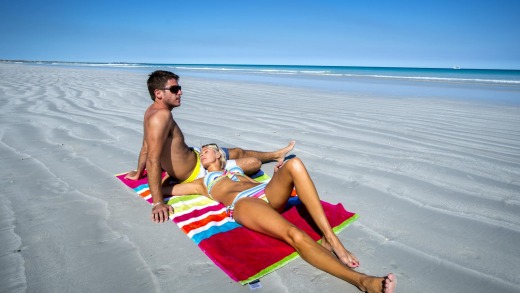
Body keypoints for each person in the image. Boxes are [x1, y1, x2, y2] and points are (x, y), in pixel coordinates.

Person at [163, 144, 396, 293]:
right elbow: (166, 191)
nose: (202, 153)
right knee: (294, 234)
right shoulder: (202, 182)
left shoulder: (235, 169)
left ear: (218, 154)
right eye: (201, 152)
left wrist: (276, 175)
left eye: (207, 149)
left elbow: (251, 158)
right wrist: (159, 193)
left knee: (293, 163)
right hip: (244, 204)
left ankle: (331, 240)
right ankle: (363, 282)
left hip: (264, 192)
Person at [125, 70, 295, 223]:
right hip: (199, 171)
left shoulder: (151, 111)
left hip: (198, 156)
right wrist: (158, 202)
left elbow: (146, 145)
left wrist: (139, 172)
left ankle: (275, 155)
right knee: (253, 163)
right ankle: (274, 156)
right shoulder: (161, 116)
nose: (181, 92)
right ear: (158, 93)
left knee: (237, 151)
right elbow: (153, 158)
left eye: (179, 88)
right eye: (175, 89)